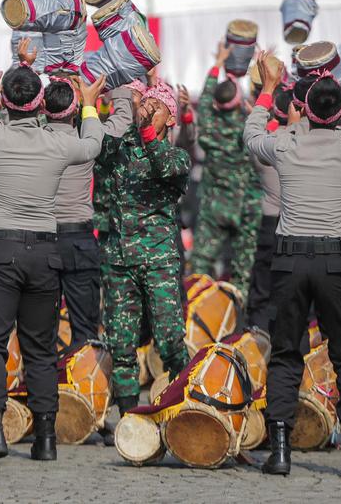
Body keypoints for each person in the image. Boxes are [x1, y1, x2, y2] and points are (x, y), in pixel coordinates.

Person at [246, 55, 341, 477]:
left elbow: (251, 132)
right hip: (335, 260)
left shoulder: (286, 143)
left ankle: (280, 452)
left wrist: (268, 87)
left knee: (286, 353)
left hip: (290, 259)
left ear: (305, 110)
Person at [0, 61, 105, 464]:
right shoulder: (56, 142)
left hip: (1, 251)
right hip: (45, 252)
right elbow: (93, 145)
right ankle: (45, 439)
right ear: (40, 104)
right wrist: (89, 104)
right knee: (40, 348)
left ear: (5, 101)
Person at [97, 81, 190, 420]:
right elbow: (97, 149)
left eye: (157, 107)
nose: (149, 110)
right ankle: (128, 419)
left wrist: (149, 134)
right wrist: (119, 106)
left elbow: (167, 168)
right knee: (121, 345)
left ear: (171, 120)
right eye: (146, 105)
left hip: (158, 261)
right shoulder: (120, 148)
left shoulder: (175, 155)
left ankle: (182, 408)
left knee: (170, 341)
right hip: (119, 259)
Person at [45, 67, 133, 351]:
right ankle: (83, 387)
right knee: (85, 332)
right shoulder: (88, 139)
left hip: (39, 241)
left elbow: (17, 110)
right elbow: (122, 120)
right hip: (78, 243)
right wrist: (115, 83)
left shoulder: (32, 137)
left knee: (41, 332)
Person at [189, 44, 263, 303]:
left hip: (214, 206)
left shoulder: (208, 124)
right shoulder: (247, 124)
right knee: (243, 269)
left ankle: (197, 310)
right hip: (244, 205)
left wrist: (217, 64)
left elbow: (208, 99)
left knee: (200, 263)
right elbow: (262, 109)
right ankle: (240, 314)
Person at [247, 83, 292, 333]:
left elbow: (253, 135)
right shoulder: (305, 145)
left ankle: (257, 334)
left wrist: (262, 106)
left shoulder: (265, 145)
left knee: (262, 283)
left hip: (268, 221)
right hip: (295, 224)